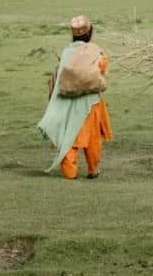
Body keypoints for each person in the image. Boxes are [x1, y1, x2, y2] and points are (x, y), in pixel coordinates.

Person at [38, 15, 113, 179]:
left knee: (69, 138)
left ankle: (70, 172)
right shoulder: (95, 50)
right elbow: (103, 68)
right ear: (89, 33)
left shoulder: (66, 52)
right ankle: (93, 169)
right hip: (91, 103)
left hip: (67, 105)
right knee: (93, 139)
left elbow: (59, 77)